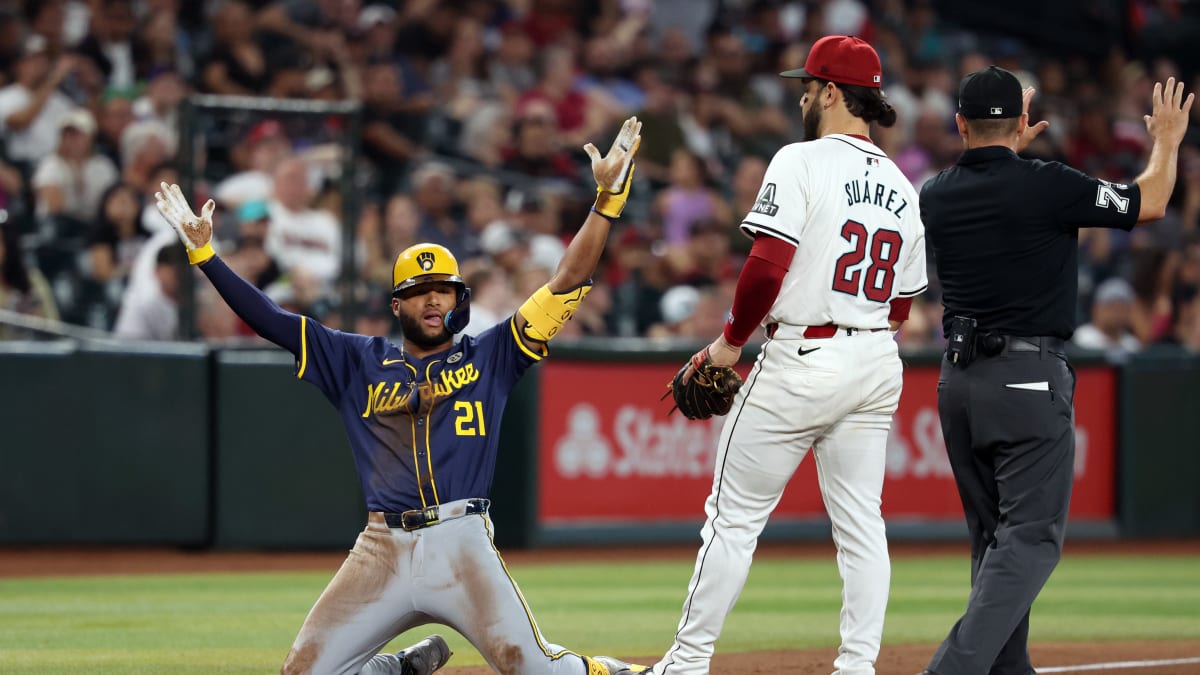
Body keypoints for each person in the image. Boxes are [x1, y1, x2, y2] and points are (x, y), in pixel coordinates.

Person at [152, 116, 648, 675]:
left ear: (458, 300)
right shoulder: (354, 359)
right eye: (419, 293)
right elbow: (271, 319)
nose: (433, 302)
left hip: (461, 542)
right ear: (397, 305)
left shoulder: (494, 352)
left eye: (444, 292)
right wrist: (205, 256)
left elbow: (566, 279)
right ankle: (395, 670)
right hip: (381, 546)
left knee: (529, 667)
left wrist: (606, 201)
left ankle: (622, 673)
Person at [637, 36, 928, 675]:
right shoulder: (905, 187)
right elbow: (903, 309)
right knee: (862, 526)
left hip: (804, 354)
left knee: (733, 519)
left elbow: (766, 270)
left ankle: (686, 663)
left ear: (829, 92)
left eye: (808, 86)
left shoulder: (800, 160)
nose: (801, 95)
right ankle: (857, 667)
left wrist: (727, 345)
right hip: (876, 359)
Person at [918, 67, 1191, 675]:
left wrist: (1007, 146)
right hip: (1026, 378)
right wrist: (1168, 140)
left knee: (994, 541)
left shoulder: (934, 192)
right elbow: (1149, 202)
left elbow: (993, 188)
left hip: (958, 384)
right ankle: (952, 670)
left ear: (959, 124)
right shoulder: (1047, 184)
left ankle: (1009, 670)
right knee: (1032, 538)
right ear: (1022, 124)